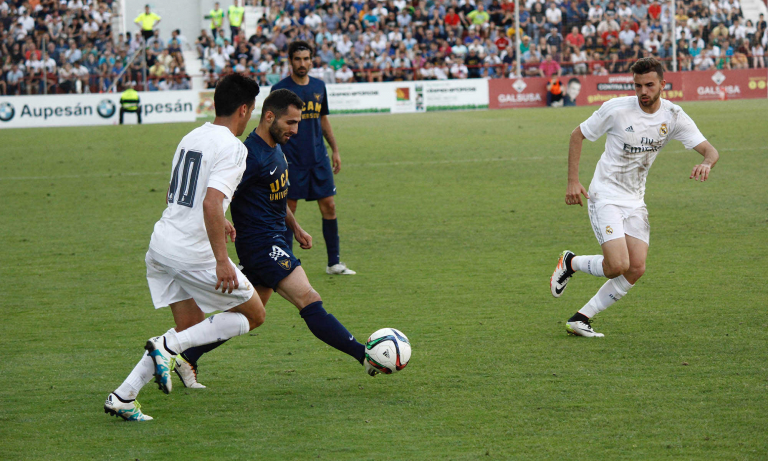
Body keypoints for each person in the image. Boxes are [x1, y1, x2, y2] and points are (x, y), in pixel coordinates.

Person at [173, 89, 378, 389]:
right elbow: (215, 197)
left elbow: (276, 199)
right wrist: (224, 219)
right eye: (291, 123)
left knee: (247, 316)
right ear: (269, 116)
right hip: (261, 246)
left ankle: (184, 355)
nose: (295, 130)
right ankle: (364, 356)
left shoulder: (276, 146)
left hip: (276, 239)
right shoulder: (249, 156)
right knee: (309, 299)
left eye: (298, 124)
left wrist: (295, 227)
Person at [104, 74, 263, 421]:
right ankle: (167, 347)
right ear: (243, 109)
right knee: (255, 314)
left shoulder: (192, 135)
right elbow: (210, 202)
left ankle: (124, 396)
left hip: (162, 244)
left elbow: (177, 196)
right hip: (193, 253)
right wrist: (222, 261)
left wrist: (220, 220)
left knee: (189, 327)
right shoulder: (235, 147)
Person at [550, 58, 719, 337]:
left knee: (636, 268)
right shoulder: (616, 109)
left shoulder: (673, 115)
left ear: (663, 85)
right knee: (617, 265)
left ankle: (581, 318)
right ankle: (571, 262)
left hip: (635, 199)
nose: (643, 91)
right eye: (638, 85)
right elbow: (577, 135)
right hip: (605, 193)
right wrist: (572, 181)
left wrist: (706, 164)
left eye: (649, 85)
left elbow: (710, 151)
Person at [270, 41, 355, 275]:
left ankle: (334, 263)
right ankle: (284, 264)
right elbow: (270, 126)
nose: (302, 63)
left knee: (329, 205)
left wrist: (334, 149)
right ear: (290, 61)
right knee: (289, 209)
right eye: (297, 59)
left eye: (306, 59)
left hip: (318, 158)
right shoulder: (280, 90)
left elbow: (323, 119)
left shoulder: (319, 86)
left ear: (312, 60)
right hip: (290, 160)